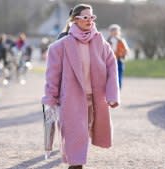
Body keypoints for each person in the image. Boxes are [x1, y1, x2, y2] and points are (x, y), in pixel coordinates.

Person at [41, 4, 120, 169]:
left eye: (92, 17)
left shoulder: (100, 43)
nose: (90, 20)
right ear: (75, 19)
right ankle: (75, 165)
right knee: (76, 133)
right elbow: (52, 76)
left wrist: (112, 95)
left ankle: (75, 162)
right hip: (71, 99)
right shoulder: (60, 46)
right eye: (86, 17)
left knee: (88, 131)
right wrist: (50, 99)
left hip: (95, 99)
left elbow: (112, 67)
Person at [107, 24, 129, 89]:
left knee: (119, 75)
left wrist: (122, 55)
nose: (114, 32)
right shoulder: (107, 41)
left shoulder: (121, 41)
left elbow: (126, 50)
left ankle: (118, 89)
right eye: (112, 31)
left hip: (119, 60)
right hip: (110, 60)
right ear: (110, 32)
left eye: (116, 31)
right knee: (110, 76)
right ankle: (111, 89)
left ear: (119, 32)